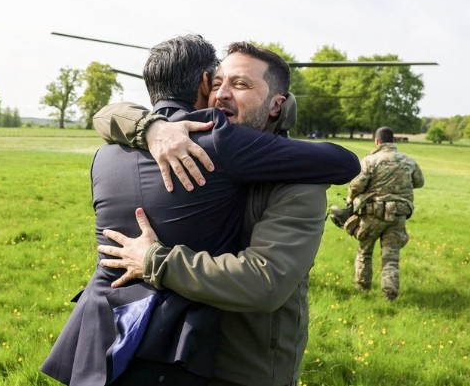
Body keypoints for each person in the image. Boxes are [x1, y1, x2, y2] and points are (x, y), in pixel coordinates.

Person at [41, 35, 360, 386]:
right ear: (204, 84)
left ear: (276, 105)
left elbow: (265, 281)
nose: (222, 93)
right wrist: (152, 127)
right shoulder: (189, 143)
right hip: (178, 352)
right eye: (219, 82)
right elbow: (106, 115)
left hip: (242, 364)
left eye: (240, 84)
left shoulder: (298, 179)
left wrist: (155, 260)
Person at [345, 126, 424, 300]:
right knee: (391, 256)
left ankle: (362, 288)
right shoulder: (408, 161)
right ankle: (390, 293)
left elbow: (357, 185)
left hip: (373, 213)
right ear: (392, 140)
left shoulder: (370, 160)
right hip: (398, 215)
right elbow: (419, 182)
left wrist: (350, 199)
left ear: (377, 141)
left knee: (364, 251)